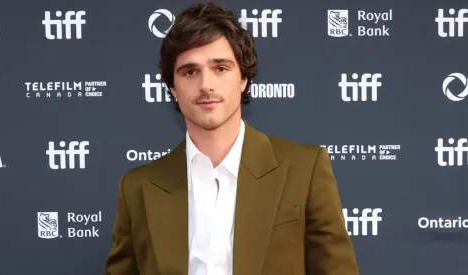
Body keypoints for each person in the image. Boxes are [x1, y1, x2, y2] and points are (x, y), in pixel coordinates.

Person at [105, 2, 359, 275]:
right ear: (172, 88)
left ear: (243, 79)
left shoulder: (305, 169)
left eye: (221, 68)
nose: (206, 85)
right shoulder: (137, 188)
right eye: (190, 72)